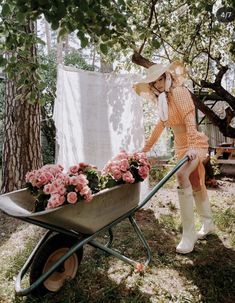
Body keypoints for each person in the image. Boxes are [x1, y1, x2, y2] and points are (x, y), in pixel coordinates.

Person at [133, 61, 215, 254]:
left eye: (161, 78)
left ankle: (188, 235)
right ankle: (208, 223)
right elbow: (159, 127)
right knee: (195, 182)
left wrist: (193, 146)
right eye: (154, 82)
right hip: (181, 146)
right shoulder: (163, 101)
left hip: (194, 143)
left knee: (182, 175)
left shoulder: (179, 92)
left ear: (167, 77)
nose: (159, 84)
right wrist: (143, 150)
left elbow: (190, 121)